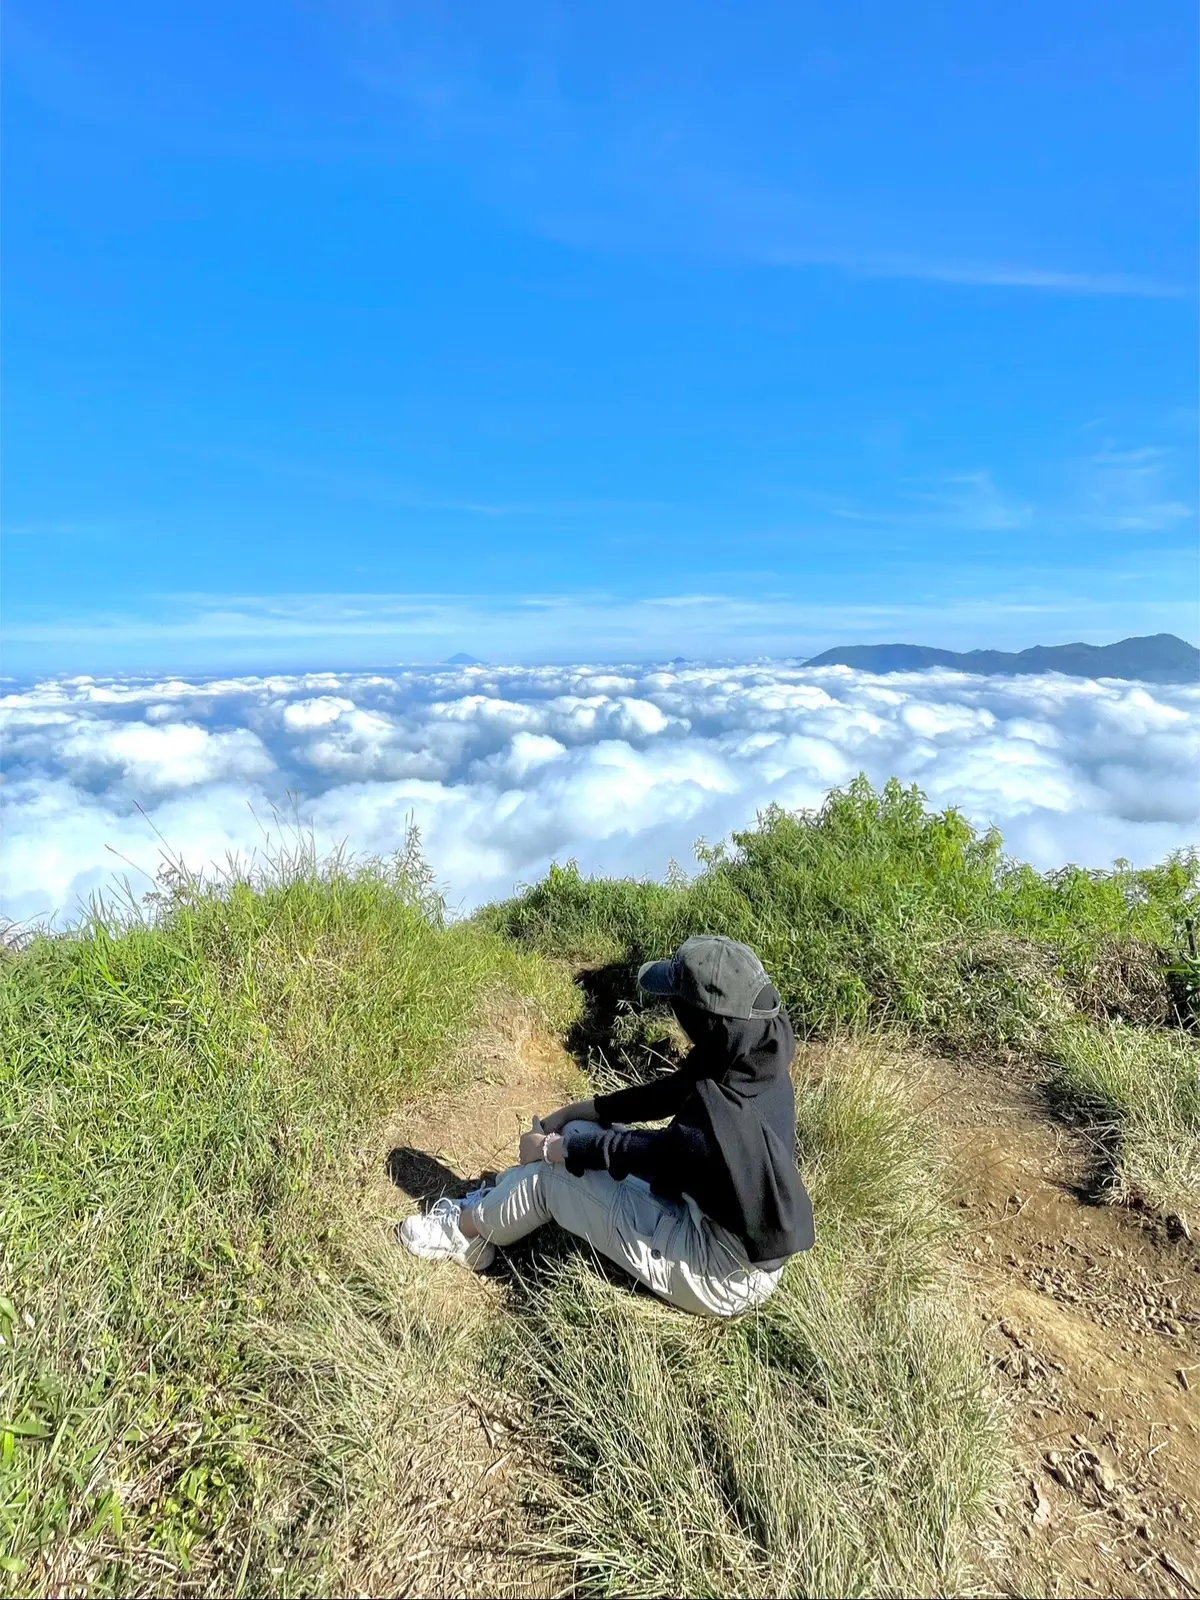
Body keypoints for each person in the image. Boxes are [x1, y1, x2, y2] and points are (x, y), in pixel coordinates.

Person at [399, 935, 815, 1317]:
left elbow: (643, 1152)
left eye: (677, 1004)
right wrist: (576, 1113)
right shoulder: (751, 1053)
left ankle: (462, 1233)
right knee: (577, 1137)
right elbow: (665, 1094)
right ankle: (498, 1202)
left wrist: (548, 1150)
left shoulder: (726, 1113)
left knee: (552, 1176)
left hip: (720, 1269)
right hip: (717, 1217)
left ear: (703, 1021)